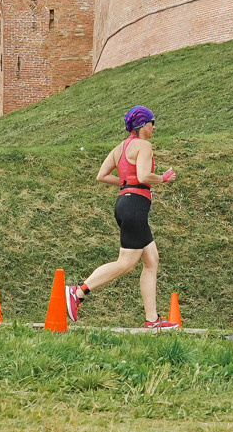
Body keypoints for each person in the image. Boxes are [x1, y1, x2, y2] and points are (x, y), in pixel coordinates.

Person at [66, 106, 180, 329]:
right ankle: (78, 291)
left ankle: (152, 320)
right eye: (152, 122)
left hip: (125, 204)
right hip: (135, 206)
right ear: (143, 124)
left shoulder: (119, 148)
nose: (154, 127)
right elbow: (144, 176)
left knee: (151, 260)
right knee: (126, 263)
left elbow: (102, 175)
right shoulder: (144, 146)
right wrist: (164, 178)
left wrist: (127, 183)